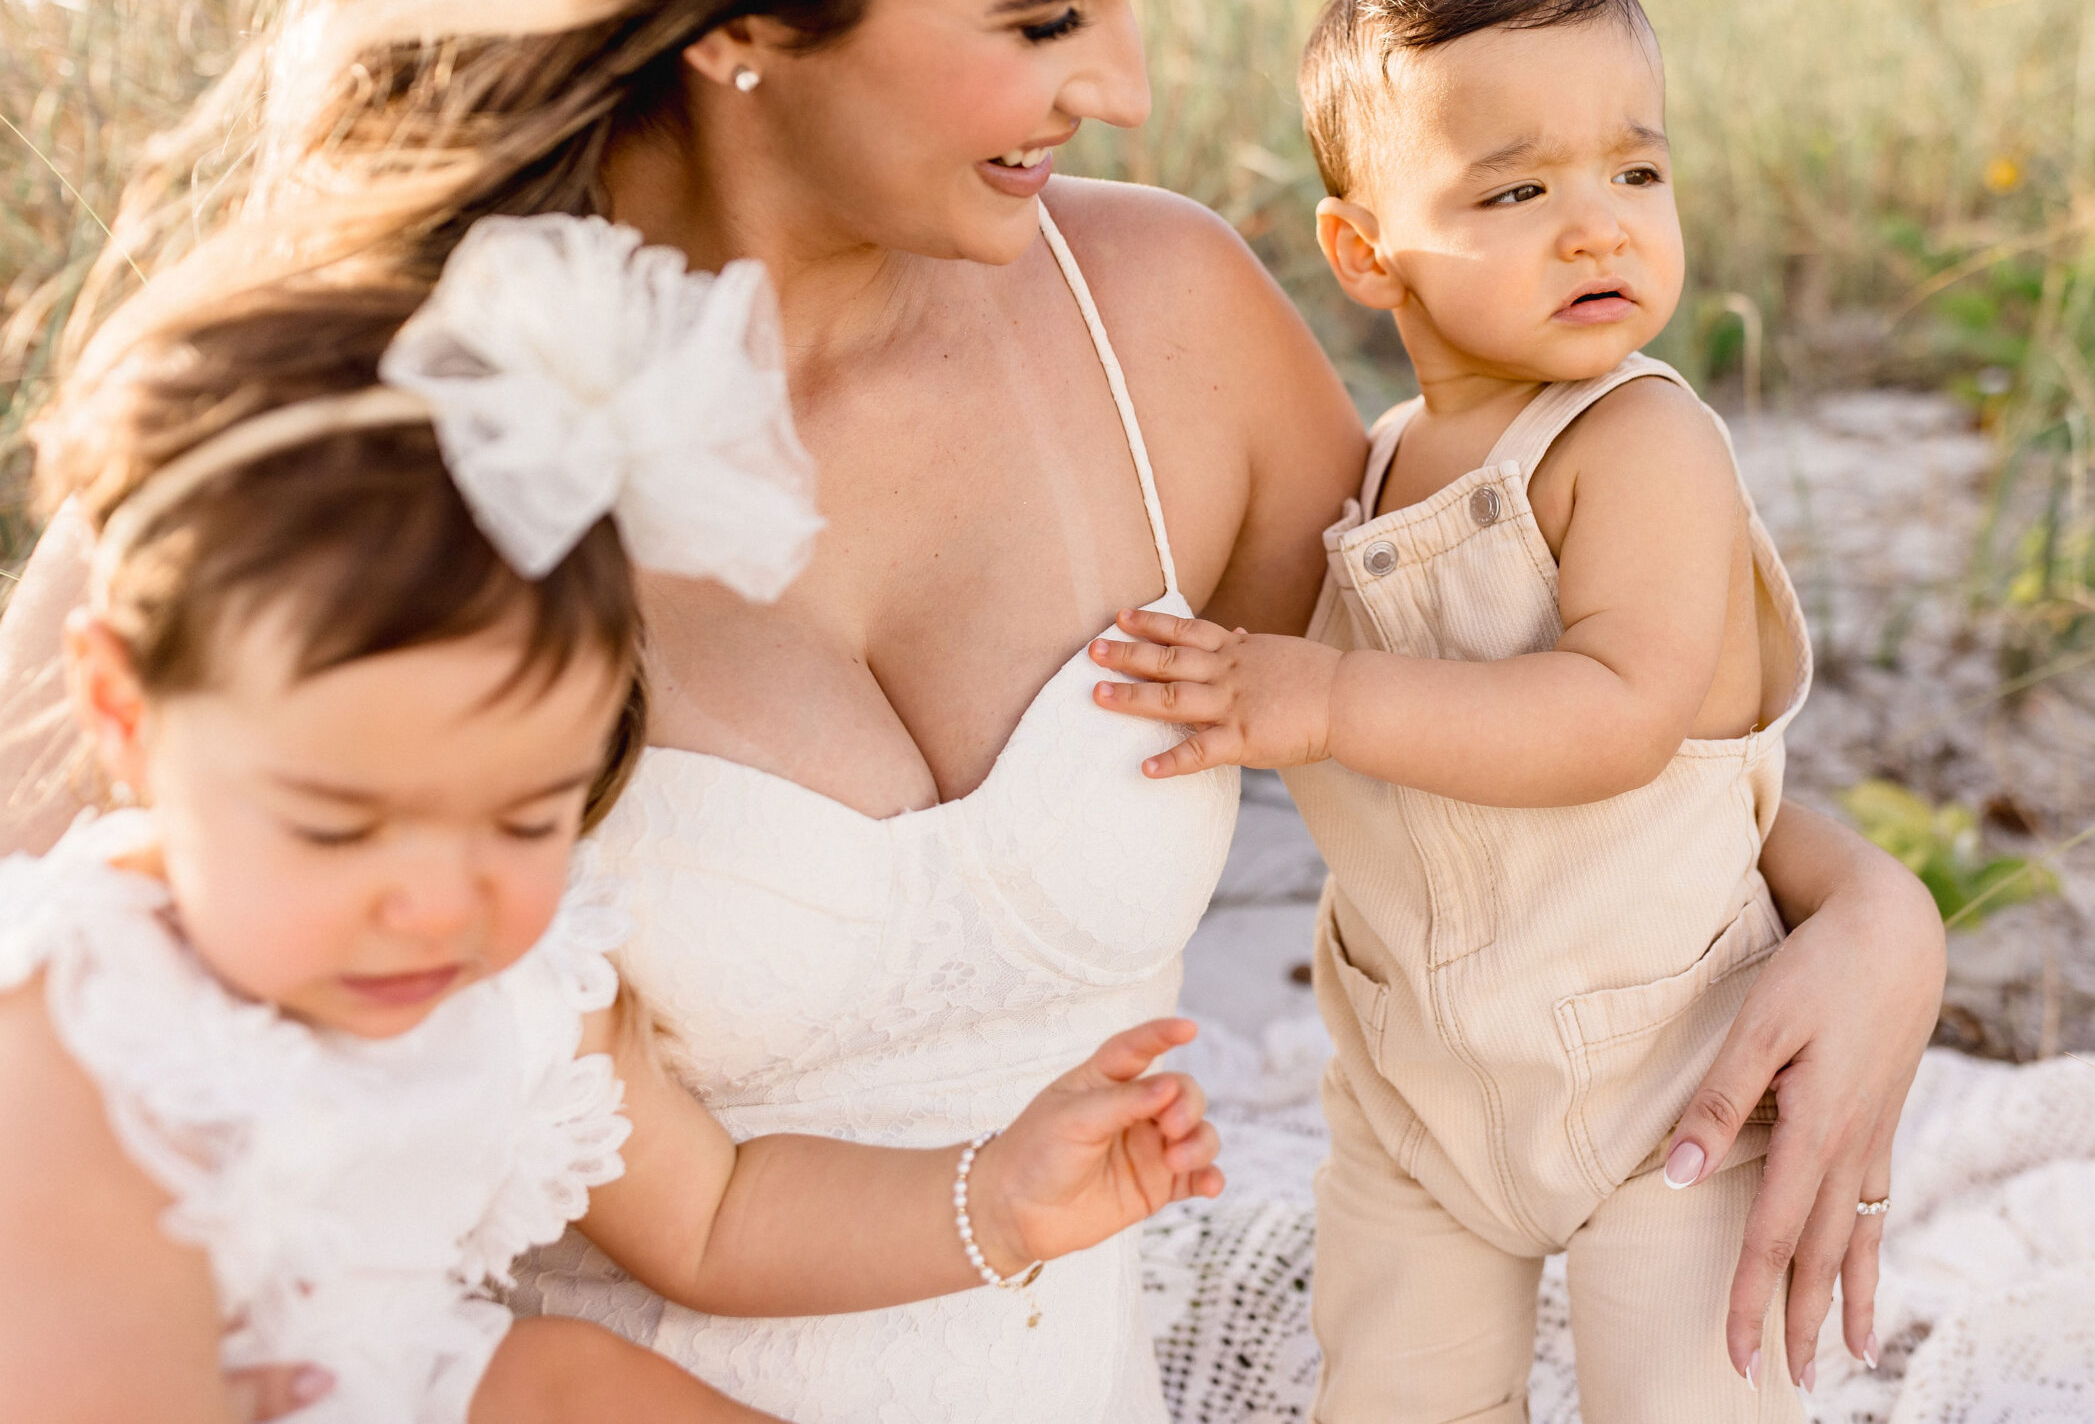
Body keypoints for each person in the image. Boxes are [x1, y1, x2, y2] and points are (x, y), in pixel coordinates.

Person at [0, 0, 1942, 1416]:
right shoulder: (359, 436)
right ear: (751, 5)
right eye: (1043, 17)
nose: (1123, 84)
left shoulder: (1159, 320)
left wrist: (1861, 907)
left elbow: (1508, 689)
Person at [0, 217, 1223, 1423]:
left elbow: (715, 1214)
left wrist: (995, 1199)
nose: (439, 903)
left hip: (413, 1375)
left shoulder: (518, 977)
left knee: (566, 1379)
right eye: (337, 829)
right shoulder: (83, 1029)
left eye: (528, 822)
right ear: (123, 710)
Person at [1097, 0, 1902, 1419]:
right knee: (1393, 1391)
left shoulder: (1643, 442)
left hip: (1665, 1076)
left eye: (1636, 176)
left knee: (1686, 1393)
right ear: (1363, 251)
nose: (1596, 227)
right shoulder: (1385, 463)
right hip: (1419, 1090)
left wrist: (1322, 702)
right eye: (1517, 190)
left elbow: (1618, 715)